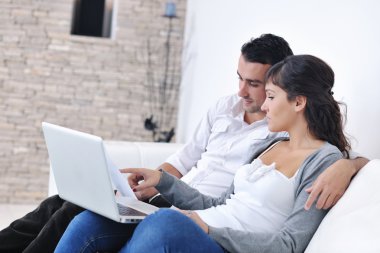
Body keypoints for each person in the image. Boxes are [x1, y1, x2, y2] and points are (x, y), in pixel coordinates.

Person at [0, 34, 367, 253]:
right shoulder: (268, 147)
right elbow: (219, 203)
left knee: (164, 227)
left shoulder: (324, 162)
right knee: (92, 216)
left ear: (299, 101)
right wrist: (164, 182)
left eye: (270, 95)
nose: (260, 102)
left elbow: (289, 245)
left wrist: (206, 229)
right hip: (197, 223)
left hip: (220, 242)